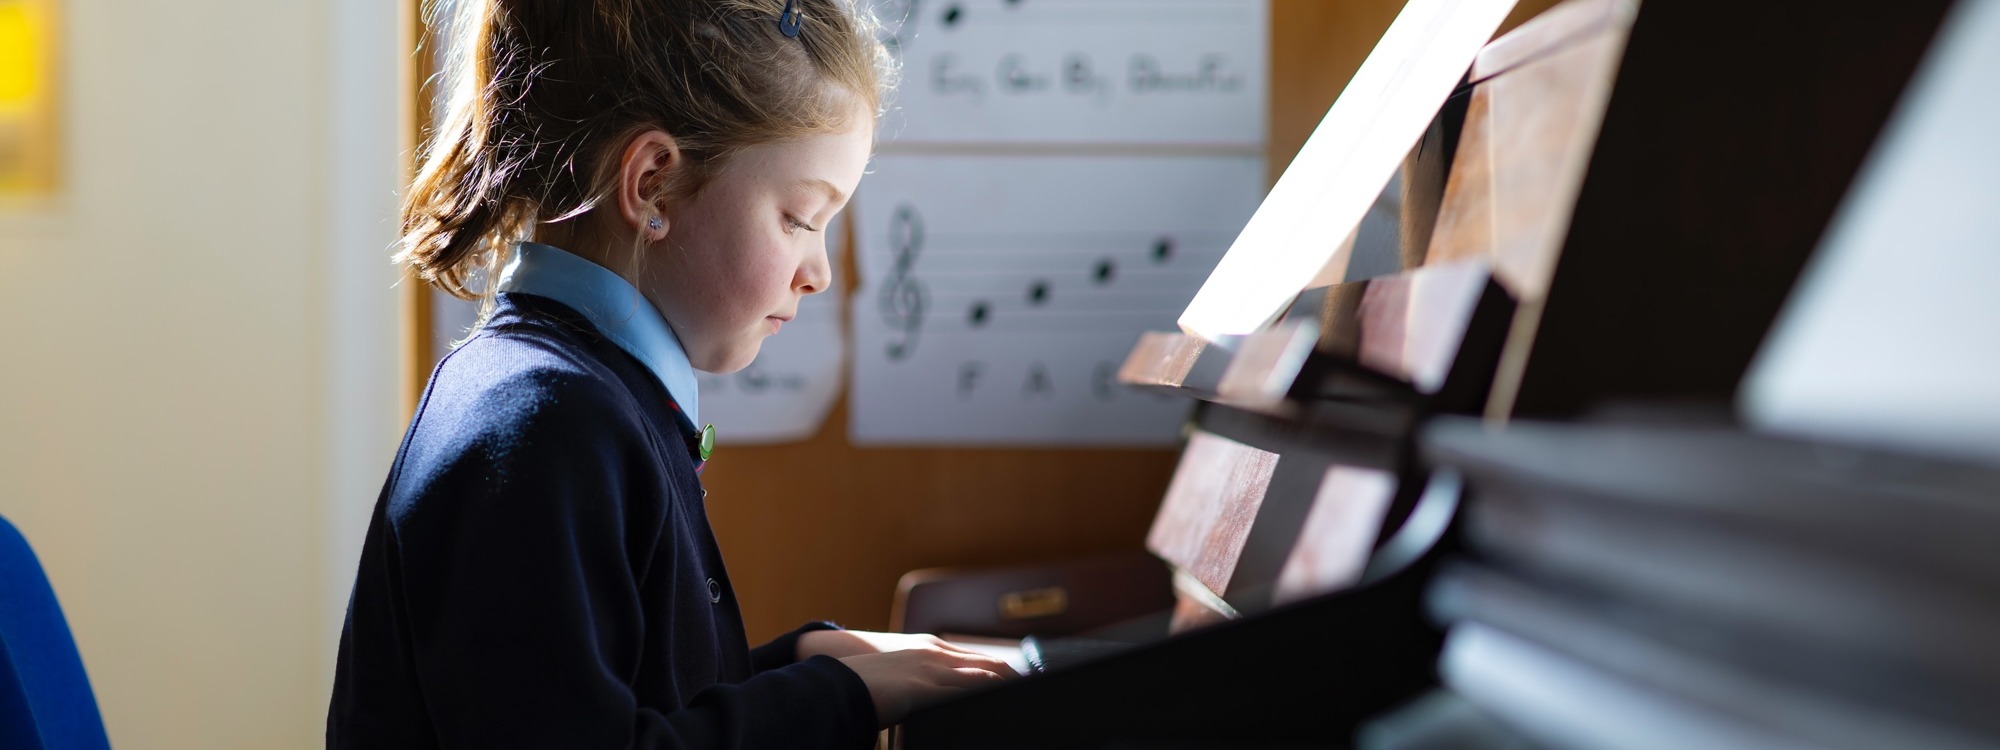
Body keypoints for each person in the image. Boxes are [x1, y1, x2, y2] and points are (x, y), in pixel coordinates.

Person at [326, 1, 1016, 747]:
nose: (818, 271)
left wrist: (800, 663)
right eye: (801, 218)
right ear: (653, 184)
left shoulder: (586, 400)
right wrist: (831, 698)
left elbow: (607, 702)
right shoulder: (539, 425)